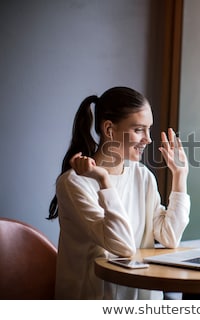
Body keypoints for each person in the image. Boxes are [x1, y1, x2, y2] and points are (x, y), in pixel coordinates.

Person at [47, 86, 190, 299]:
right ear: (109, 129)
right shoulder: (74, 183)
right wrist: (104, 180)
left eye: (149, 129)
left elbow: (169, 236)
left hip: (141, 297)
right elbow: (122, 246)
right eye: (139, 130)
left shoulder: (142, 176)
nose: (148, 139)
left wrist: (180, 176)